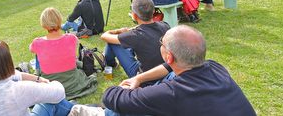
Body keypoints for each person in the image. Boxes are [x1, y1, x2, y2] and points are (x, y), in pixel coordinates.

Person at [102, 25, 256, 116]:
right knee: (170, 75)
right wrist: (139, 79)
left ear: (168, 56)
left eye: (162, 43)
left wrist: (127, 87)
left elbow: (111, 97)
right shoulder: (216, 67)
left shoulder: (173, 93)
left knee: (124, 111)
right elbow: (169, 67)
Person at [0, 41, 74, 116]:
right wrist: (50, 83)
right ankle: (79, 110)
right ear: (7, 64)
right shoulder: (17, 90)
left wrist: (38, 79)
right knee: (54, 102)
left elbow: (13, 74)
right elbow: (59, 93)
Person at [30, 8, 98, 99]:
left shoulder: (37, 42)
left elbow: (32, 49)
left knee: (38, 54)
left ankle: (39, 72)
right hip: (72, 82)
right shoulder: (71, 38)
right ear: (59, 21)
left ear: (44, 25)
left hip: (50, 83)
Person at [101, 0, 170, 78]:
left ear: (134, 15)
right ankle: (110, 63)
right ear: (153, 11)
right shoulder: (165, 25)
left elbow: (104, 36)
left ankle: (110, 64)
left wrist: (117, 31)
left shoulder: (134, 35)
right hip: (166, 70)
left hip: (143, 76)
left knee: (112, 42)